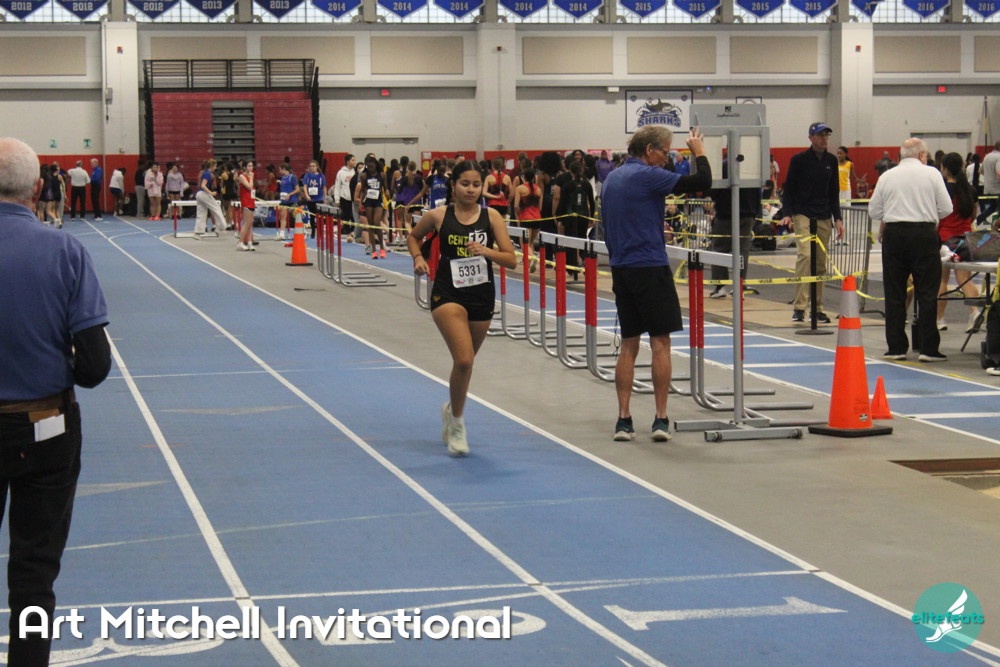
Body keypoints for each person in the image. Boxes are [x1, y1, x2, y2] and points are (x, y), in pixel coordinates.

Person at [0, 136, 111, 665]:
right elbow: (95, 367)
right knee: (34, 571)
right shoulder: (66, 252)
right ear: (38, 188)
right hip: (45, 426)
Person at [601, 125, 711, 442]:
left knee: (629, 343)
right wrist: (698, 152)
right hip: (649, 265)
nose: (667, 158)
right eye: (665, 151)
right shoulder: (648, 176)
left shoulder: (612, 179)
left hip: (621, 267)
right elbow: (702, 183)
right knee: (660, 342)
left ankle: (623, 419)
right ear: (649, 150)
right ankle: (661, 418)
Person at [406, 161, 517, 456]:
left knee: (463, 365)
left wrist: (486, 251)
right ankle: (457, 424)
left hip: (481, 295)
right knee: (465, 360)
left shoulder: (492, 217)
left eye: (476, 185)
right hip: (448, 293)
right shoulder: (438, 215)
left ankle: (451, 409)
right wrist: (418, 258)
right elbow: (413, 236)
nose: (471, 189)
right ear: (453, 185)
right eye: (465, 184)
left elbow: (511, 259)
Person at [870, 138, 952, 363]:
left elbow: (874, 211)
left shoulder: (887, 176)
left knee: (895, 293)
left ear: (900, 156)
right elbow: (946, 208)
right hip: (924, 235)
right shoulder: (932, 174)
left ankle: (896, 348)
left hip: (894, 235)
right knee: (927, 292)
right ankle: (928, 349)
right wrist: (927, 212)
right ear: (922, 155)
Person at [780, 122, 844, 323]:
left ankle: (817, 308)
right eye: (820, 135)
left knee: (820, 263)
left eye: (826, 135)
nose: (824, 138)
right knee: (806, 256)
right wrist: (787, 213)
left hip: (823, 214)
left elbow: (834, 191)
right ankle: (800, 306)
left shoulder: (831, 160)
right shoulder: (799, 160)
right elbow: (789, 189)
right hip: (802, 213)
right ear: (811, 138)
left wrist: (838, 218)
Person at [936, 152, 980, 334]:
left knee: (941, 279)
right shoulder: (970, 190)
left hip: (945, 239)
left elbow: (938, 215)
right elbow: (973, 215)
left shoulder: (942, 190)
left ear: (945, 169)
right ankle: (975, 312)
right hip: (966, 239)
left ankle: (939, 319)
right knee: (964, 279)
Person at [709, 159, 761, 298]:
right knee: (742, 251)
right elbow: (758, 190)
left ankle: (720, 286)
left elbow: (715, 190)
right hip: (748, 212)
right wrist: (755, 211)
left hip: (726, 213)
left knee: (720, 249)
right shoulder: (751, 166)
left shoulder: (723, 166)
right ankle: (740, 285)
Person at [194, 159, 226, 237]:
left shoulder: (205, 173)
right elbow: (203, 185)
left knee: (202, 212)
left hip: (199, 194)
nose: (216, 167)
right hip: (204, 193)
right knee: (216, 208)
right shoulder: (207, 174)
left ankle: (199, 230)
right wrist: (211, 193)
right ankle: (221, 227)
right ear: (212, 166)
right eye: (215, 166)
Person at [977, 140, 1000, 227]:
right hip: (997, 189)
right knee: (996, 208)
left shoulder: (987, 156)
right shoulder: (999, 157)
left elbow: (980, 171)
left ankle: (979, 219)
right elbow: (999, 173)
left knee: (992, 207)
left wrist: (989, 177)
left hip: (987, 188)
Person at [332, 154, 357, 237]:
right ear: (347, 161)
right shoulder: (341, 172)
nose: (354, 162)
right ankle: (347, 232)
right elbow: (337, 186)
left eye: (354, 160)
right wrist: (337, 199)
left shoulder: (355, 172)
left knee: (353, 216)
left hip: (353, 198)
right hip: (344, 197)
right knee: (346, 216)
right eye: (352, 160)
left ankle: (353, 231)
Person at [300, 160, 326, 239]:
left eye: (313, 166)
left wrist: (325, 197)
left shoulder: (321, 176)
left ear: (317, 167)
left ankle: (320, 231)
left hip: (319, 198)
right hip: (311, 199)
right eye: (310, 166)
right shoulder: (307, 176)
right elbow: (305, 187)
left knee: (319, 216)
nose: (312, 168)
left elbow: (324, 187)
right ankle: (313, 231)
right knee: (312, 215)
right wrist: (307, 195)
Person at [276, 163, 300, 241]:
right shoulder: (282, 178)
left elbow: (297, 189)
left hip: (292, 200)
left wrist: (290, 194)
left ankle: (303, 233)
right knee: (283, 217)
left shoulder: (292, 177)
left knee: (296, 217)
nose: (279, 171)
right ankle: (282, 234)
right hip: (284, 201)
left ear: (284, 169)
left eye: (280, 170)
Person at [237, 161, 256, 251]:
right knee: (246, 224)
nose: (251, 167)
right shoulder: (242, 176)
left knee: (250, 223)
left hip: (251, 201)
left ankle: (249, 242)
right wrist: (251, 178)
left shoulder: (249, 176)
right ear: (244, 167)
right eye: (249, 166)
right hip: (246, 202)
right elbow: (249, 187)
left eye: (252, 166)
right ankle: (240, 243)